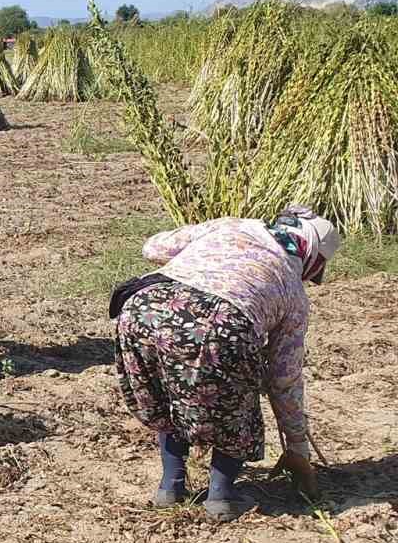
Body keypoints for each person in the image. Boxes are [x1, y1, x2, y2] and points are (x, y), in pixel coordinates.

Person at [115, 206, 340, 521]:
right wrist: (298, 449)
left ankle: (171, 486)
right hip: (220, 323)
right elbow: (283, 380)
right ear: (311, 254)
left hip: (143, 307)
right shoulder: (293, 293)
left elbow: (153, 248)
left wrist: (210, 256)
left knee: (168, 392)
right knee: (238, 401)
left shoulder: (233, 226)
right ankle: (221, 496)